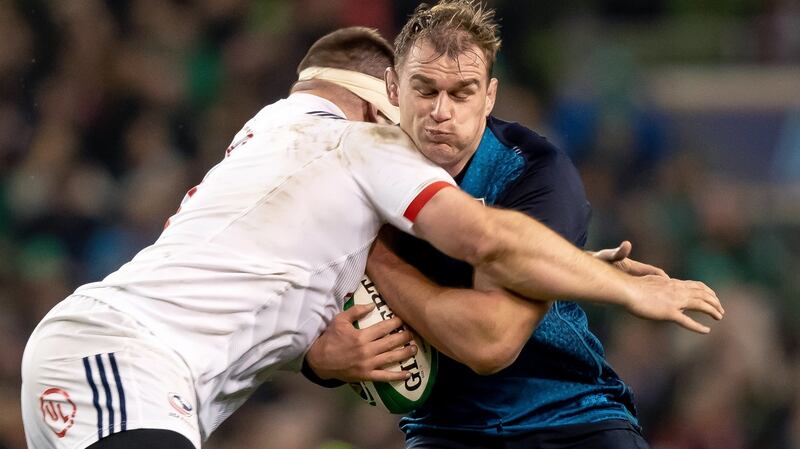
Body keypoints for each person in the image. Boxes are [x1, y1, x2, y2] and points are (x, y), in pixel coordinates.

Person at [21, 27, 721, 449]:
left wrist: (317, 359)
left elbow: (267, 288)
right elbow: (488, 241)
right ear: (376, 102)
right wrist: (622, 289)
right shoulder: (354, 142)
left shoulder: (272, 138)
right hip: (125, 360)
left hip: (121, 366)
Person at [303, 3, 719, 449]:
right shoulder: (350, 170)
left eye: (462, 92)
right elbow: (272, 293)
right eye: (425, 89)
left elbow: (491, 343)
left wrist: (374, 256)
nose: (441, 112)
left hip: (571, 418)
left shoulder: (535, 172)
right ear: (393, 87)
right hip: (443, 431)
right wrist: (317, 359)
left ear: (490, 96)